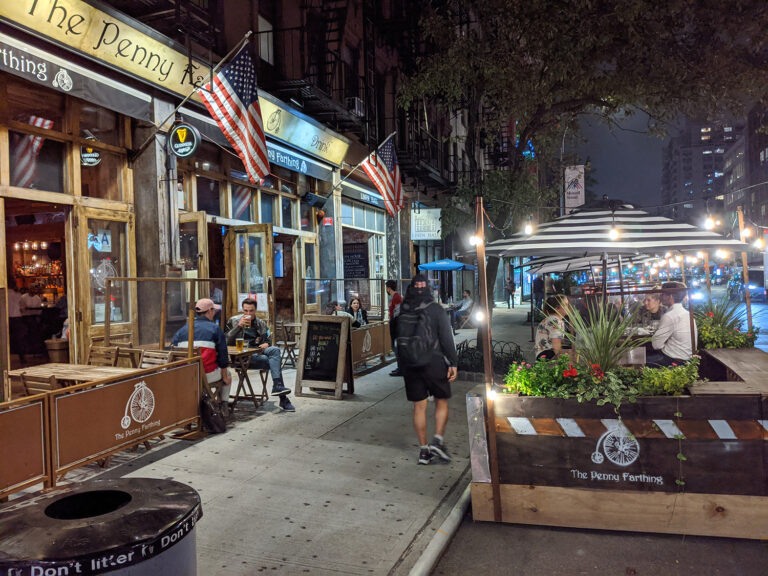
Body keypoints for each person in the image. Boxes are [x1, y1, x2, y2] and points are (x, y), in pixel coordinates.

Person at [393, 274, 457, 465]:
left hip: (410, 365)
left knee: (419, 407)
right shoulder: (436, 309)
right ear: (428, 288)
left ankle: (423, 451)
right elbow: (446, 337)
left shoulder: (400, 310)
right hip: (434, 361)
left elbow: (394, 339)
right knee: (441, 401)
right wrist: (452, 362)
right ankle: (437, 440)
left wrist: (402, 362)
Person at [226, 298, 295, 412]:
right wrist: (238, 327)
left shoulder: (261, 323)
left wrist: (266, 344)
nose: (248, 314)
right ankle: (283, 398)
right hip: (240, 357)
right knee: (273, 362)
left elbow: (268, 340)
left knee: (275, 350)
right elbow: (226, 341)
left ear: (255, 310)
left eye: (251, 311)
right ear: (242, 310)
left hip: (257, 352)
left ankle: (277, 385)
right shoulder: (233, 321)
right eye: (245, 311)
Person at [171, 298, 232, 412]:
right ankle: (223, 404)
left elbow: (172, 351)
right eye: (213, 310)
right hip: (206, 375)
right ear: (209, 311)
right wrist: (224, 377)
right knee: (228, 373)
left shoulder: (182, 330)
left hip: (185, 375)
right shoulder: (215, 329)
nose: (214, 312)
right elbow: (223, 356)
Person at [648, 282, 696, 366]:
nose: (660, 296)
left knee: (642, 360)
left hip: (674, 360)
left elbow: (656, 344)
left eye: (663, 294)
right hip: (688, 357)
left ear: (670, 297)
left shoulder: (670, 316)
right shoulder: (687, 313)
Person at [535, 294, 570, 361]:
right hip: (547, 355)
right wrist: (562, 361)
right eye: (565, 305)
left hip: (543, 354)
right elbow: (556, 344)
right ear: (557, 308)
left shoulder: (555, 319)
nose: (568, 307)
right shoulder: (555, 320)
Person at [386, 280, 403, 377]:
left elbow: (398, 312)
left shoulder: (396, 297)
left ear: (388, 288)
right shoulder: (395, 297)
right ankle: (399, 367)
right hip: (394, 324)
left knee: (396, 347)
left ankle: (401, 368)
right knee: (395, 347)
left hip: (396, 325)